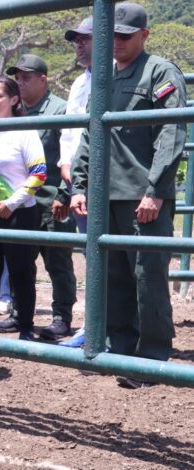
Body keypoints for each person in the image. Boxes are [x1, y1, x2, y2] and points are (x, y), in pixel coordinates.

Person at [70, 2, 187, 388]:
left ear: (144, 36)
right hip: (107, 195)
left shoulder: (160, 72)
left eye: (124, 36)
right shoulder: (102, 78)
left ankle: (153, 356)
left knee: (148, 276)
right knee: (112, 276)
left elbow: (172, 133)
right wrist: (81, 185)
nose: (116, 42)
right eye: (112, 36)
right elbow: (90, 135)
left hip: (142, 195)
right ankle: (120, 350)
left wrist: (156, 190)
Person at [0, 54, 77, 340]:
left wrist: (65, 194)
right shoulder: (15, 112)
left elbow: (71, 154)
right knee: (20, 261)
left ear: (43, 79)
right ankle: (20, 314)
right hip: (22, 201)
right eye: (17, 78)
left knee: (57, 261)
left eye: (26, 77)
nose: (20, 83)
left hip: (51, 200)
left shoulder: (60, 111)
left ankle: (61, 317)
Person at [0, 77, 46, 341]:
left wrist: (12, 203)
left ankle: (26, 328)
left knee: (21, 270)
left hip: (20, 211)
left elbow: (39, 173)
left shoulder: (25, 131)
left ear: (14, 100)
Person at [59, 16, 94, 348]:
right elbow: (69, 130)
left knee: (110, 255)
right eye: (77, 40)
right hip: (81, 179)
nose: (79, 44)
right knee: (90, 252)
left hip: (107, 179)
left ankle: (114, 327)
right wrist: (65, 164)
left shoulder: (116, 75)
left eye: (85, 38)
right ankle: (94, 325)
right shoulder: (79, 82)